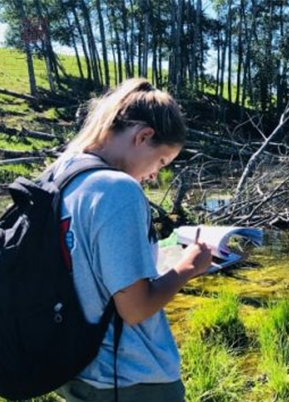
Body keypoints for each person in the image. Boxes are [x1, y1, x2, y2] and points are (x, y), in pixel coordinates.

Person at [51, 78, 212, 402]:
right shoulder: (118, 190)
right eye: (162, 161)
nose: (155, 174)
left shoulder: (62, 173)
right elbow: (136, 308)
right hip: (129, 378)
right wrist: (187, 267)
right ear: (144, 136)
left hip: (76, 369)